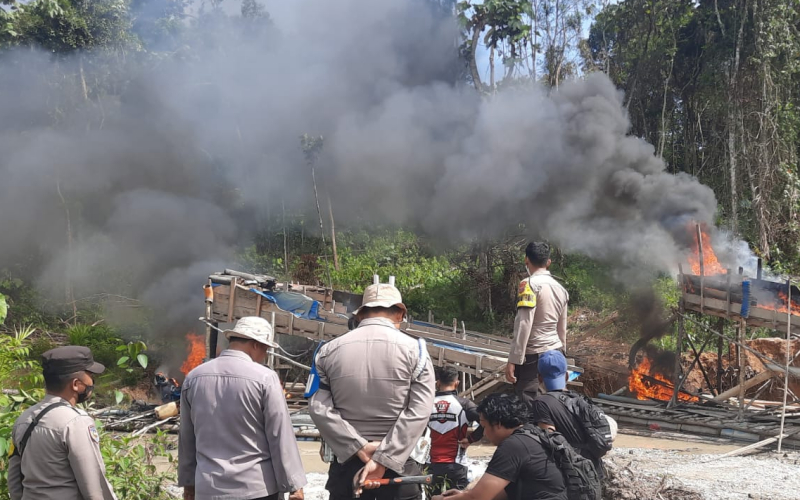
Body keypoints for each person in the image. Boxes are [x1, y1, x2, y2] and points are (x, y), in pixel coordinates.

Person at [309, 281, 435, 500]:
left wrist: (359, 447)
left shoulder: (326, 351)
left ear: (360, 315)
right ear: (400, 313)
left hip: (347, 469)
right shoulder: (418, 352)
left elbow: (318, 408)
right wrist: (383, 459)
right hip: (400, 470)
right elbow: (420, 411)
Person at [179, 316, 307, 500]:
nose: (264, 355)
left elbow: (186, 438)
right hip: (256, 488)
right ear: (255, 345)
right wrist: (295, 485)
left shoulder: (193, 378)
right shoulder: (265, 379)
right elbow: (280, 436)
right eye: (265, 349)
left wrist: (188, 484)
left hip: (208, 489)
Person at [8, 346, 116, 500]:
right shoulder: (76, 422)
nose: (92, 381)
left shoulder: (24, 419)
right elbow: (95, 489)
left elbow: (14, 481)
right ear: (76, 384)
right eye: (90, 375)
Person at [431, 394, 566, 500]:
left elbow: (477, 498)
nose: (484, 433)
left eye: (484, 426)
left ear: (498, 424)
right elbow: (501, 493)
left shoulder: (513, 445)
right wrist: (464, 494)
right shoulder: (533, 434)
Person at [530, 350, 614, 479]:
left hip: (570, 473)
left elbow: (549, 441)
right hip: (594, 471)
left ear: (539, 377)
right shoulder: (581, 399)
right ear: (567, 377)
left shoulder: (541, 403)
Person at [505, 242, 569, 404]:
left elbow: (524, 324)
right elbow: (562, 327)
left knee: (527, 399)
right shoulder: (561, 289)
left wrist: (514, 359)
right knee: (554, 399)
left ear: (527, 260)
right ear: (548, 262)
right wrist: (562, 355)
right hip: (555, 351)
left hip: (533, 355)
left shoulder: (528, 285)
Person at [427, 366, 484, 493]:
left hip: (430, 464)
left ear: (437, 383)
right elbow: (486, 422)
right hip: (456, 465)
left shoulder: (426, 404)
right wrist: (471, 439)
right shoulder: (465, 404)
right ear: (457, 383)